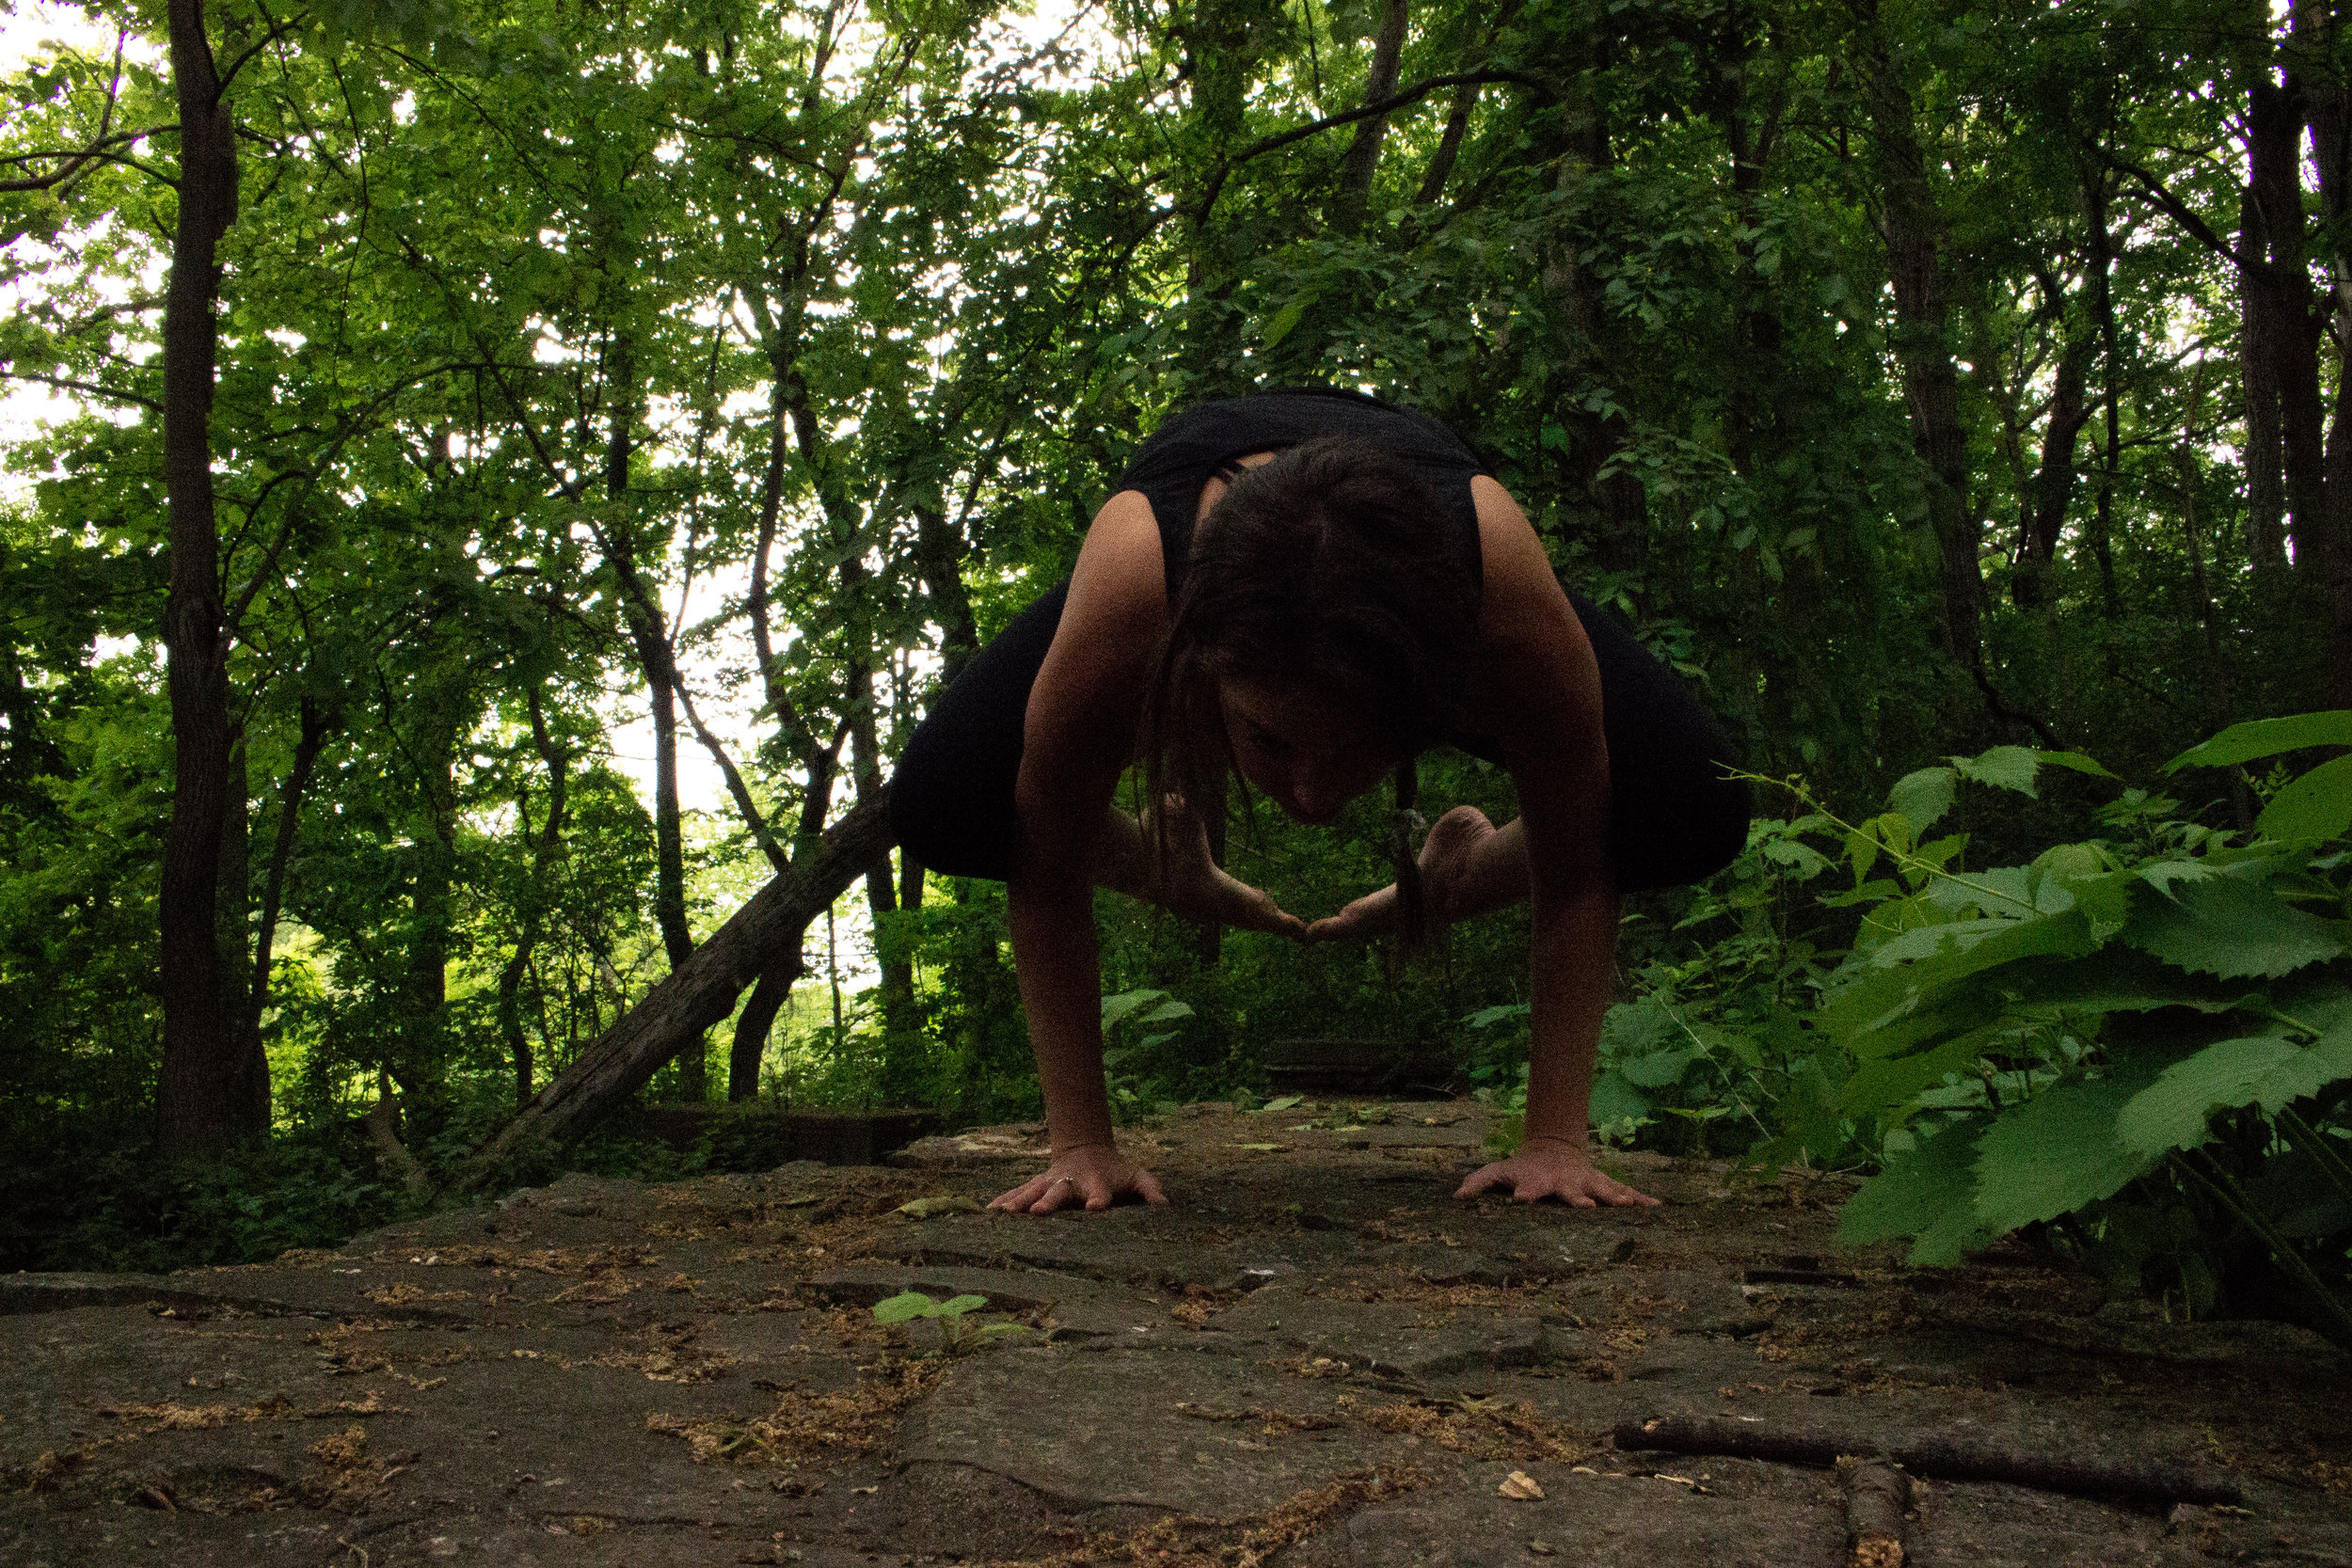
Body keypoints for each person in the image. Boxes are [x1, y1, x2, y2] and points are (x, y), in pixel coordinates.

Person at [890, 388, 1748, 1215]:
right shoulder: (1134, 593)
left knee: (1692, 805)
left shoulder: (1504, 603)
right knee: (946, 800)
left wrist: (1555, 1139)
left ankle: (1459, 866)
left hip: (1417, 536)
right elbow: (1043, 867)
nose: (1311, 795)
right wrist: (1081, 1146)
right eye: (1270, 743)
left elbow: (1575, 858)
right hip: (1197, 536)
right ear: (1200, 673)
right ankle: (1166, 863)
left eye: (1357, 749)